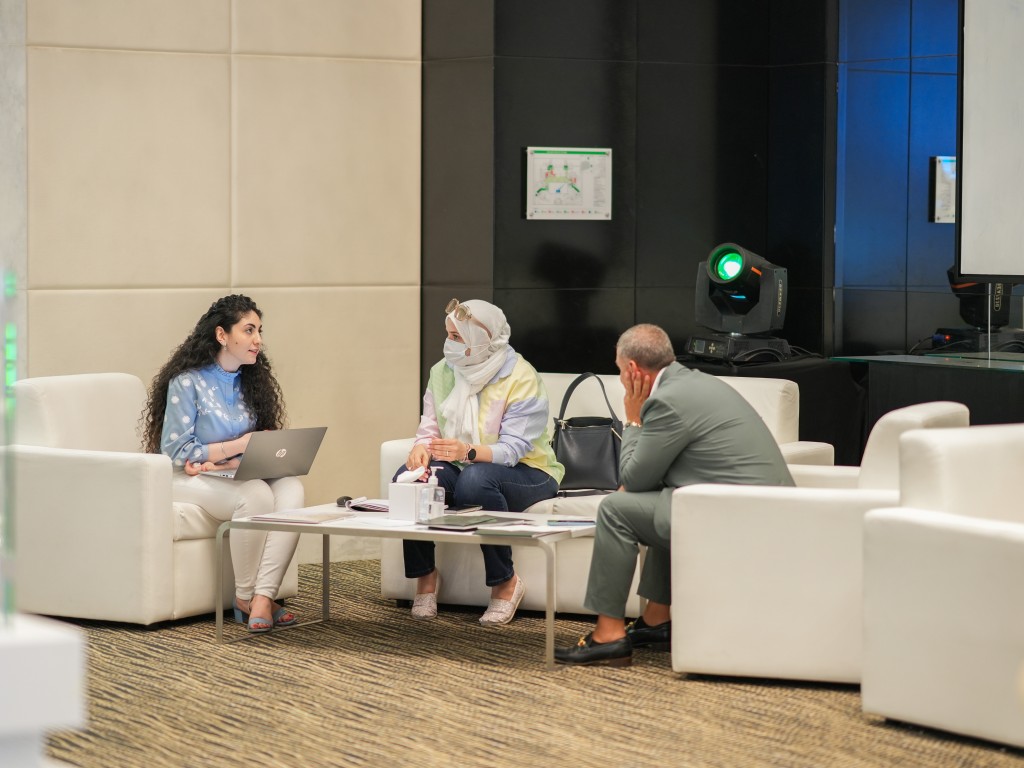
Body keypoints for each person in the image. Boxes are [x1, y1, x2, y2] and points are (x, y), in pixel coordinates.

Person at [555, 323, 794, 666]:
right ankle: (657, 619)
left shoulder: (666, 401)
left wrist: (632, 420)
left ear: (632, 369)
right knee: (661, 500)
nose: (621, 378)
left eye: (619, 370)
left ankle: (608, 636)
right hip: (767, 509)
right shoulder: (692, 383)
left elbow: (632, 478)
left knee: (615, 509)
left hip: (740, 516)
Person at [141, 294, 304, 633]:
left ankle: (264, 595)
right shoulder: (187, 382)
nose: (257, 340)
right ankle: (244, 598)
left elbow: (250, 446)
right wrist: (236, 448)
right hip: (183, 478)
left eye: (259, 331)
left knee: (292, 487)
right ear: (221, 335)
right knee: (255, 494)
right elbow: (176, 450)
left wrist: (234, 457)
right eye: (248, 330)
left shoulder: (251, 382)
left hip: (225, 472)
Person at [398, 298, 564, 625]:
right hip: (465, 465)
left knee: (475, 480)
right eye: (447, 334)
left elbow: (513, 449)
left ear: (483, 338)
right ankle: (425, 576)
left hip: (529, 470)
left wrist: (467, 452)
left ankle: (506, 582)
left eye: (457, 337)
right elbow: (429, 428)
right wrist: (420, 449)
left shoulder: (521, 376)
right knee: (411, 478)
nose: (448, 343)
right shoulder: (442, 371)